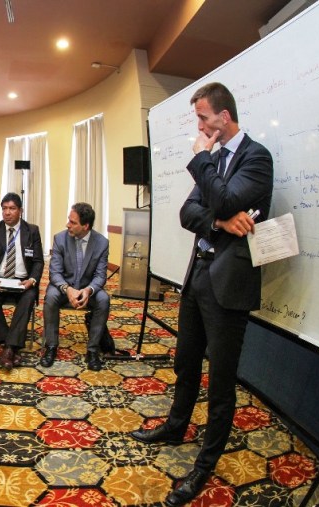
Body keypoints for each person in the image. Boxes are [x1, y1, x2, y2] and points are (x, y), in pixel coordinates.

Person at [130, 82, 273, 507]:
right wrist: (221, 223)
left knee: (222, 383)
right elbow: (188, 212)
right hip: (198, 278)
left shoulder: (256, 157)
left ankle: (204, 465)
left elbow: (226, 195)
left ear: (223, 118)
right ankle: (176, 425)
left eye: (203, 118)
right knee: (186, 361)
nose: (200, 126)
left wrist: (201, 158)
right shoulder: (216, 161)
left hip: (230, 286)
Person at [42, 202, 113, 370]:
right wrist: (68, 290)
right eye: (69, 220)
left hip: (88, 288)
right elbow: (55, 273)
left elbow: (100, 275)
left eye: (73, 222)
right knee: (50, 296)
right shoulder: (60, 239)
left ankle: (93, 351)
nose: (68, 224)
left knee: (104, 299)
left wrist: (88, 290)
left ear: (86, 226)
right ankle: (51, 347)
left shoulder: (102, 243)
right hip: (64, 287)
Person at [0, 193, 44, 369]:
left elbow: (38, 261)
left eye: (12, 208)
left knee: (29, 297)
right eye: (4, 208)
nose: (7, 212)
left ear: (20, 211)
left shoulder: (32, 230)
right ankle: (11, 346)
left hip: (22, 282)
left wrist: (32, 279)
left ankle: (8, 348)